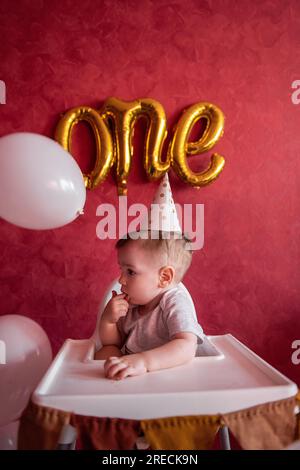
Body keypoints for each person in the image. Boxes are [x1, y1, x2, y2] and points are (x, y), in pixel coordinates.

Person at [95, 230, 204, 380]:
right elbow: (114, 343)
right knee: (105, 353)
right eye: (122, 270)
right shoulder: (133, 304)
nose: (121, 280)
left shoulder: (174, 302)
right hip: (135, 373)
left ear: (164, 277)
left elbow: (187, 346)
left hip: (172, 375)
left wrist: (143, 361)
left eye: (130, 272)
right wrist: (108, 321)